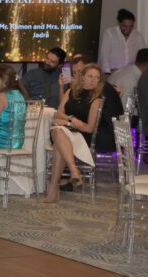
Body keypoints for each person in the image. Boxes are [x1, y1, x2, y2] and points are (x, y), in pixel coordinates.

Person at [44, 64, 105, 203]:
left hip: (79, 136)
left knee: (59, 139)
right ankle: (73, 169)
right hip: (64, 129)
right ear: (82, 77)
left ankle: (53, 188)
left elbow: (89, 128)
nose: (93, 80)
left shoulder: (96, 100)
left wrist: (67, 123)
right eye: (90, 76)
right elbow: (58, 114)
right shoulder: (70, 92)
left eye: (97, 78)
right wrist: (71, 119)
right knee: (59, 132)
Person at [99, 8, 147, 75]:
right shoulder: (110, 33)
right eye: (125, 26)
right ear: (119, 23)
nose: (128, 29)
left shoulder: (138, 36)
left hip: (130, 74)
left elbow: (144, 56)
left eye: (131, 26)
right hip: (112, 73)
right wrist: (107, 72)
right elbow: (104, 56)